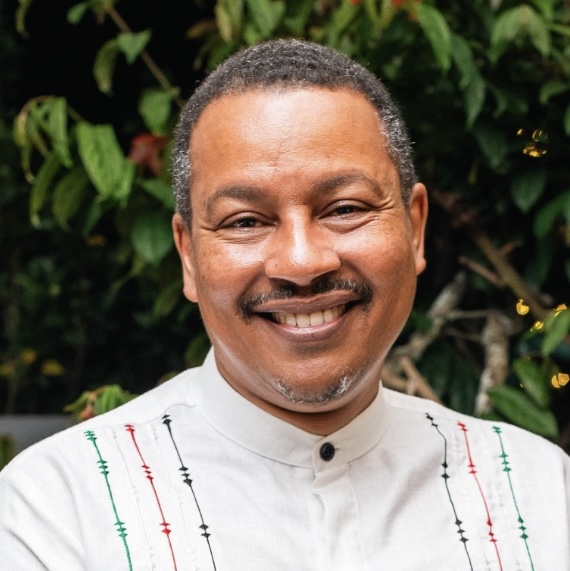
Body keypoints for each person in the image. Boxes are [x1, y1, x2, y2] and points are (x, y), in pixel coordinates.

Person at [0, 39, 568, 570]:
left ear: (414, 229)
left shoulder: (539, 491)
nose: (302, 262)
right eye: (245, 221)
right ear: (189, 256)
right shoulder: (58, 509)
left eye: (344, 209)